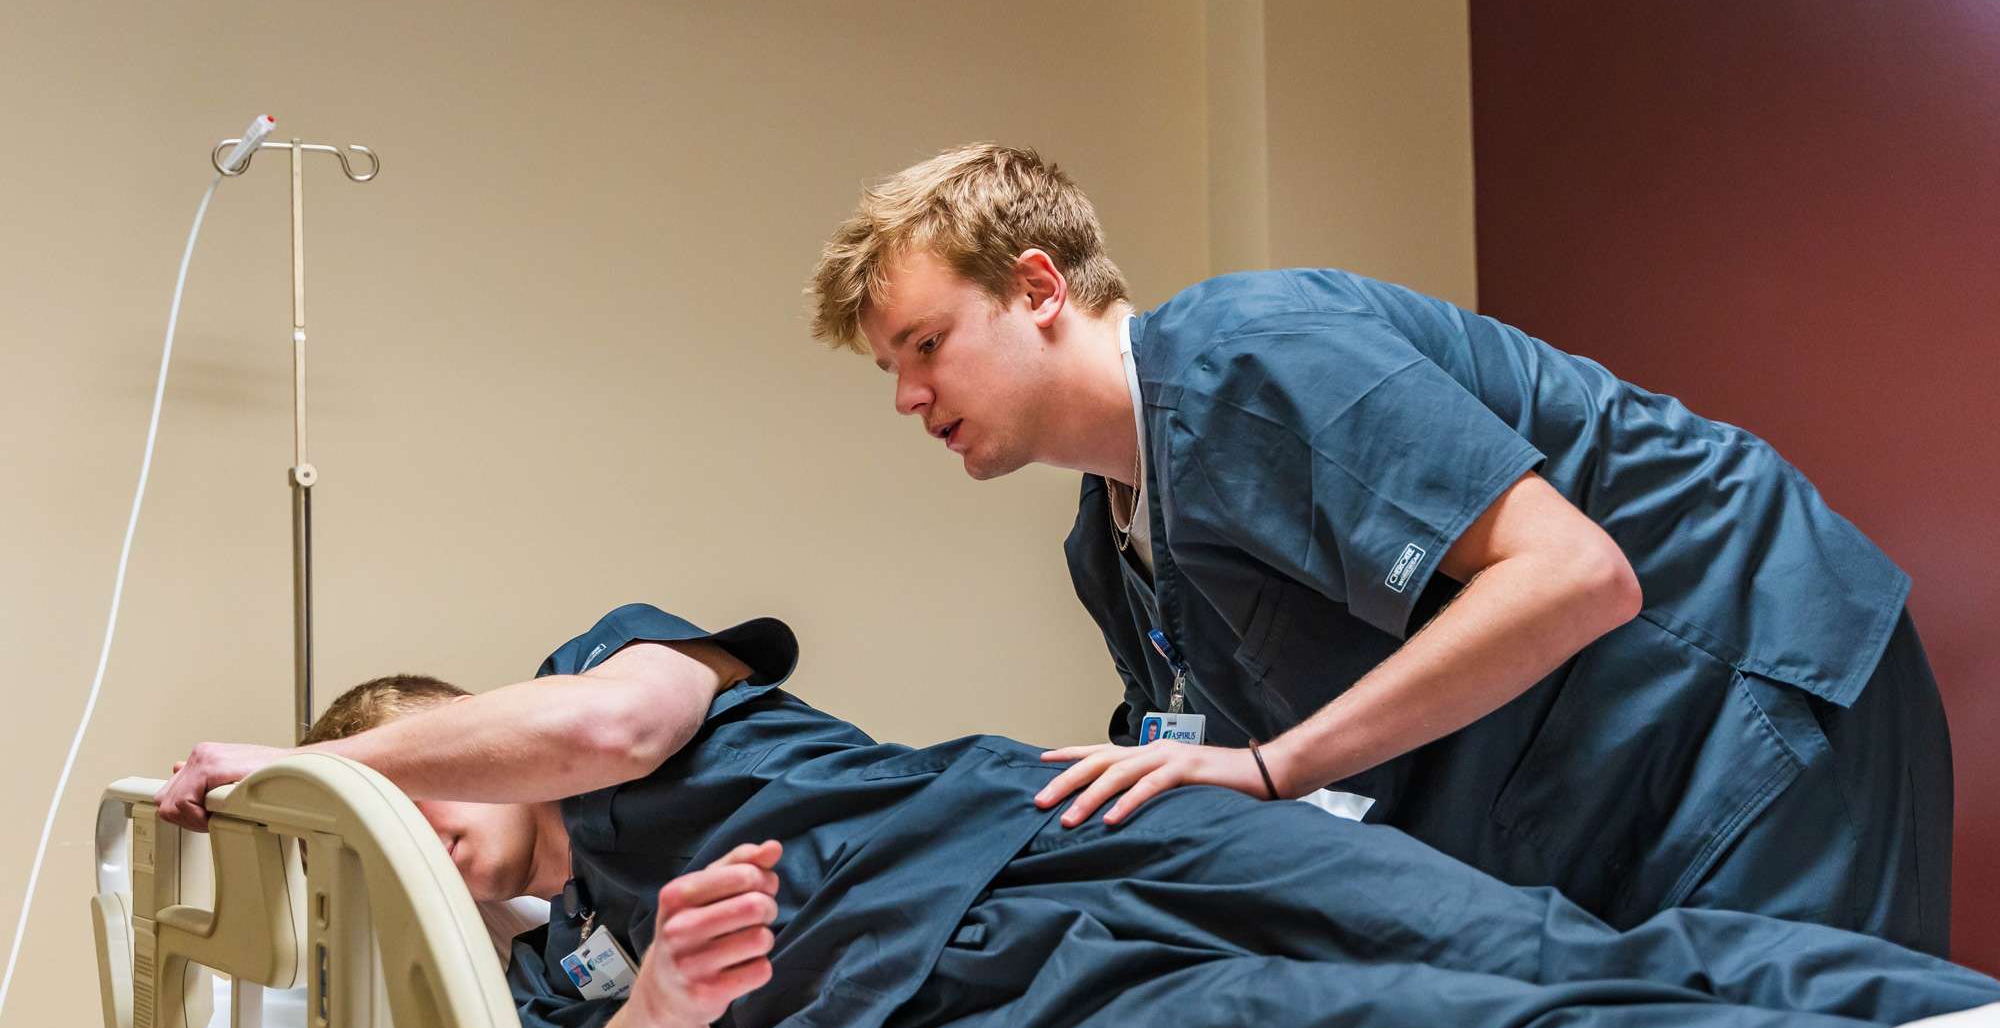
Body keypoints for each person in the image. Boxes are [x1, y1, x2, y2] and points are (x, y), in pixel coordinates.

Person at [158, 603, 1997, 1028]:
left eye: (415, 791)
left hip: (1079, 826)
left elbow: (609, 717)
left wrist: (324, 768)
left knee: (1528, 935)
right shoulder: (529, 1009)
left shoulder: (615, 683)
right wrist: (658, 1013)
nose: (413, 839)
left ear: (446, 746)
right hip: (987, 1012)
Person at [806, 144, 1953, 952]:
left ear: (1038, 288)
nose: (908, 396)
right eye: (886, 372)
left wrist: (1273, 767)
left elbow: (1572, 575)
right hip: (1587, 783)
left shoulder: (1248, 357)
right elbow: (1223, 765)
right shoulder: (1110, 540)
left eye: (925, 344)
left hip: (1743, 686)